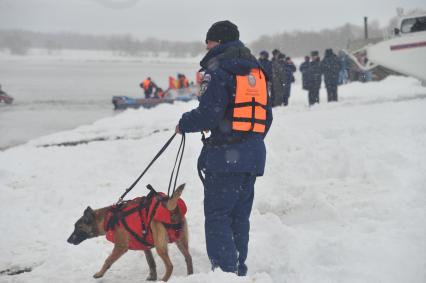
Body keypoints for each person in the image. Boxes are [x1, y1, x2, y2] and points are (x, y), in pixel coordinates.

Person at [175, 20, 273, 276]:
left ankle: (225, 274)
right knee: (240, 217)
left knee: (218, 217)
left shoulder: (219, 69)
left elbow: (209, 114)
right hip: (252, 157)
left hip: (225, 157)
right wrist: (248, 141)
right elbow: (267, 117)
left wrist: (184, 123)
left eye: (207, 41)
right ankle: (238, 269)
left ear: (216, 41)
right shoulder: (257, 72)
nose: (206, 46)